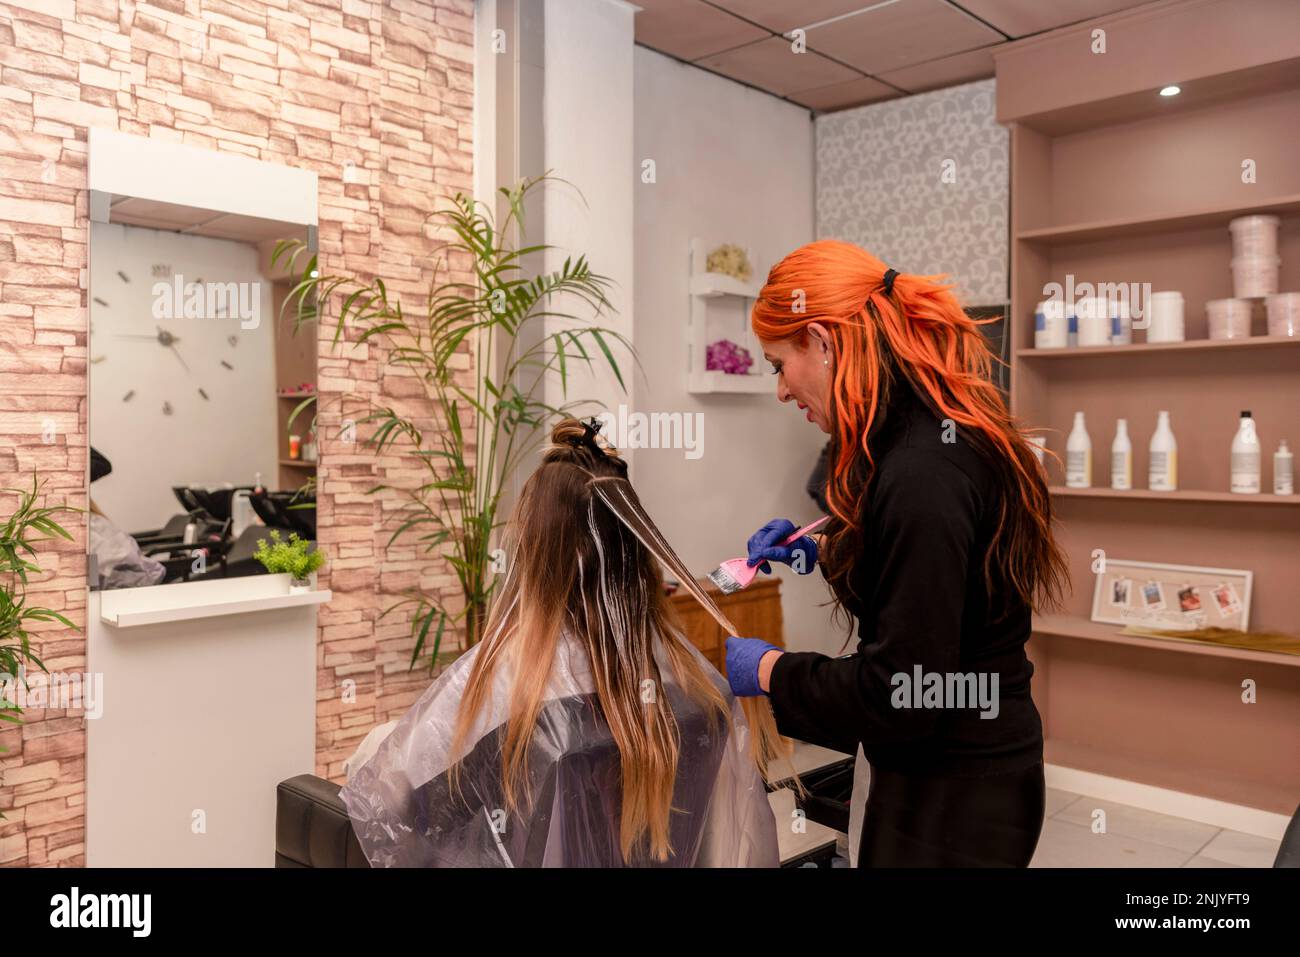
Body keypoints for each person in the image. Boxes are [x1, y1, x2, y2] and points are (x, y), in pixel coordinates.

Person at [725, 239, 1069, 867]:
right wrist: (834, 548)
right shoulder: (937, 432)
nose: (780, 391)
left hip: (954, 794)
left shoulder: (921, 471)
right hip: (961, 763)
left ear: (824, 342)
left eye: (778, 364)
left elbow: (901, 696)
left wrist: (771, 669)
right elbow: (951, 588)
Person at [341, 418, 780, 867]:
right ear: (636, 553)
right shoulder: (694, 683)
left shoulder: (504, 681)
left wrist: (373, 752)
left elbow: (391, 807)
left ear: (535, 551)